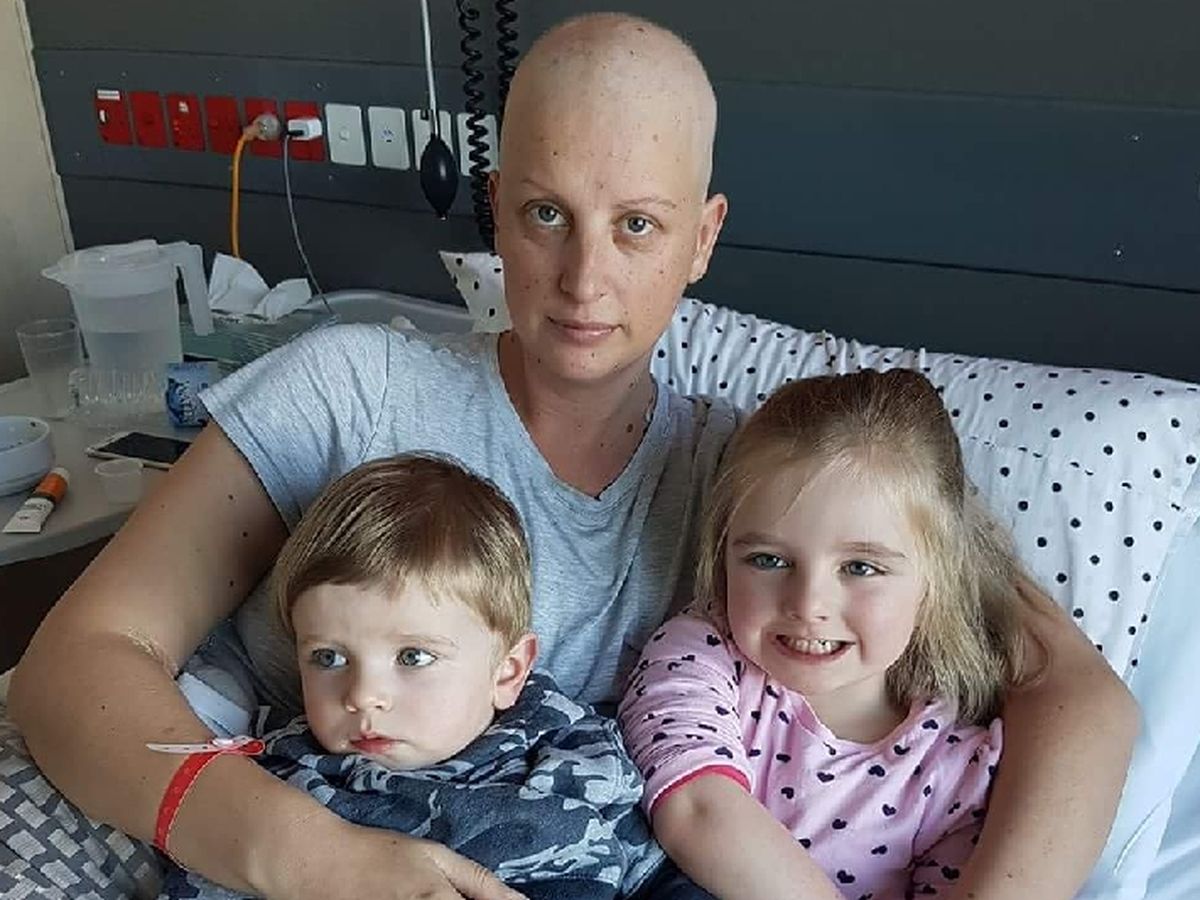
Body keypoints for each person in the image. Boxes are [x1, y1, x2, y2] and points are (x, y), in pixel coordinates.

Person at [7, 12, 1136, 900]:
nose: (586, 279)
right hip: (206, 820)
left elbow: (1080, 696)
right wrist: (309, 859)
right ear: (497, 213)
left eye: (638, 225)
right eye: (547, 215)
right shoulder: (350, 386)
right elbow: (78, 663)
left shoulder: (764, 490)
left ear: (703, 238)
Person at [620, 369, 1047, 898]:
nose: (807, 605)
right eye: (769, 560)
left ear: (935, 582)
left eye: (860, 568)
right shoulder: (697, 658)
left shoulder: (955, 773)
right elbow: (696, 809)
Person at [160, 454, 663, 900]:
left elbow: (649, 872)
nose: (363, 696)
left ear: (507, 672)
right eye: (328, 658)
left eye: (413, 657)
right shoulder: (285, 779)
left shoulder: (573, 758)